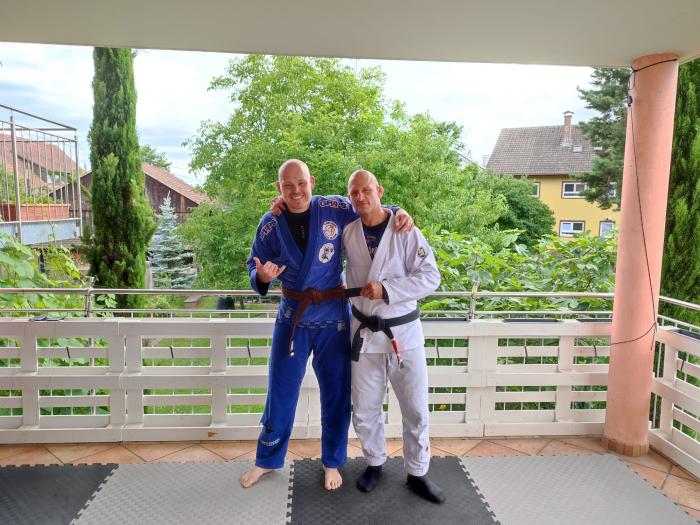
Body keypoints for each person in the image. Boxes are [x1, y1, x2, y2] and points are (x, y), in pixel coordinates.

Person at [240, 159, 413, 491]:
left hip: (333, 318)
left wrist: (397, 211)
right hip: (292, 319)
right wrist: (260, 277)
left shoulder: (334, 208)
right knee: (280, 391)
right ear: (279, 188)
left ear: (312, 182)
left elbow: (369, 209)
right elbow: (254, 264)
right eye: (287, 185)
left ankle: (332, 461)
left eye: (301, 183)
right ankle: (267, 459)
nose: (295, 191)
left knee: (336, 394)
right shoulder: (270, 223)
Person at [342, 169, 445, 503]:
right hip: (364, 334)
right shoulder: (348, 232)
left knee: (415, 408)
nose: (360, 197)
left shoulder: (404, 229)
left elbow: (431, 276)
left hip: (403, 333)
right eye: (354, 192)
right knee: (364, 408)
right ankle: (374, 463)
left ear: (380, 191)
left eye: (366, 190)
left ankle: (417, 472)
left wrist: (387, 290)